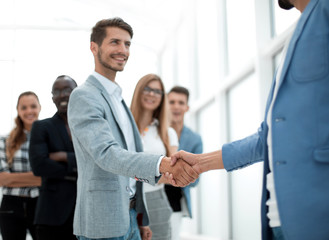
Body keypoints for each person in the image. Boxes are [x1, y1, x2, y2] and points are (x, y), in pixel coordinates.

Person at [171, 0, 329, 239]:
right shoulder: (296, 35)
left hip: (316, 212)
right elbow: (267, 138)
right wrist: (201, 163)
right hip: (278, 214)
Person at [67, 17, 198, 240]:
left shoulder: (119, 100)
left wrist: (140, 218)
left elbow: (131, 164)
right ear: (94, 47)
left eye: (127, 44)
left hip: (130, 217)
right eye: (115, 42)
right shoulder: (84, 96)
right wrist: (163, 163)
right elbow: (107, 155)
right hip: (103, 222)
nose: (123, 50)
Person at [29, 75, 78, 240]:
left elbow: (98, 161)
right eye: (57, 91)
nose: (62, 95)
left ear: (77, 93)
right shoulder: (42, 127)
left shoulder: (87, 127)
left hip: (84, 215)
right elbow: (39, 165)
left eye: (67, 90)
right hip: (52, 216)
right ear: (52, 98)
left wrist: (64, 156)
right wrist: (78, 168)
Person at [130, 74, 178, 240]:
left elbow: (174, 172)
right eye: (148, 89)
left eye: (157, 91)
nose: (151, 94)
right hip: (128, 200)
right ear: (138, 92)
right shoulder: (125, 128)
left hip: (156, 200)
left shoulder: (167, 133)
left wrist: (136, 175)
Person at [0, 91, 42, 240]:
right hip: (11, 206)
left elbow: (52, 176)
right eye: (24, 107)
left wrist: (13, 178)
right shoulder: (4, 141)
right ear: (18, 110)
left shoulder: (47, 139)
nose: (29, 111)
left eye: (33, 106)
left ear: (39, 108)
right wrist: (38, 178)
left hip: (40, 204)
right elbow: (2, 179)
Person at [165, 86, 203, 240]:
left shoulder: (194, 139)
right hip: (150, 197)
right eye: (172, 102)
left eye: (181, 103)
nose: (176, 106)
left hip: (176, 202)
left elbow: (196, 180)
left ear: (187, 107)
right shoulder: (155, 133)